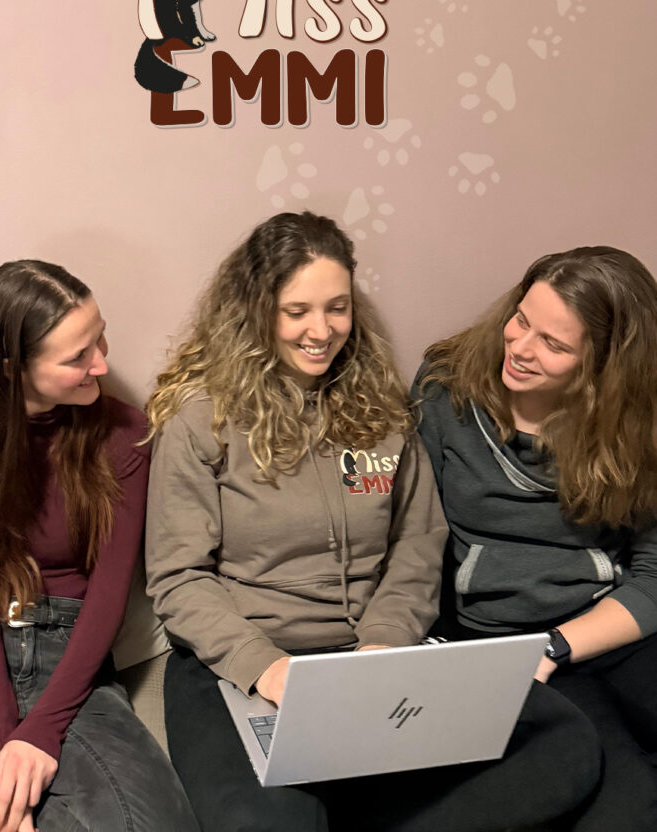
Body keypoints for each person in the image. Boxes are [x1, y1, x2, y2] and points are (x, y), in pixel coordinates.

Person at [144, 212, 600, 832]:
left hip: (371, 661)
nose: (321, 330)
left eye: (337, 308)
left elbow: (418, 540)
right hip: (243, 664)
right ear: (255, 309)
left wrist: (384, 645)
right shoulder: (202, 418)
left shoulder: (380, 409)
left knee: (563, 745)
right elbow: (179, 577)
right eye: (297, 311)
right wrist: (266, 667)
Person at [0, 260, 199, 832]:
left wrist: (41, 734)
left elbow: (107, 597)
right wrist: (10, 761)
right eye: (77, 356)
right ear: (10, 368)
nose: (102, 363)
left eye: (99, 337)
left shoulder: (126, 437)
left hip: (71, 655)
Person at [413, 245, 657, 830]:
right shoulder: (445, 389)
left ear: (604, 366)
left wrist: (553, 648)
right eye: (520, 319)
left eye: (553, 343)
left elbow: (653, 579)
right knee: (602, 796)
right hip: (492, 638)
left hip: (598, 628)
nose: (520, 348)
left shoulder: (639, 421)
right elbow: (412, 535)